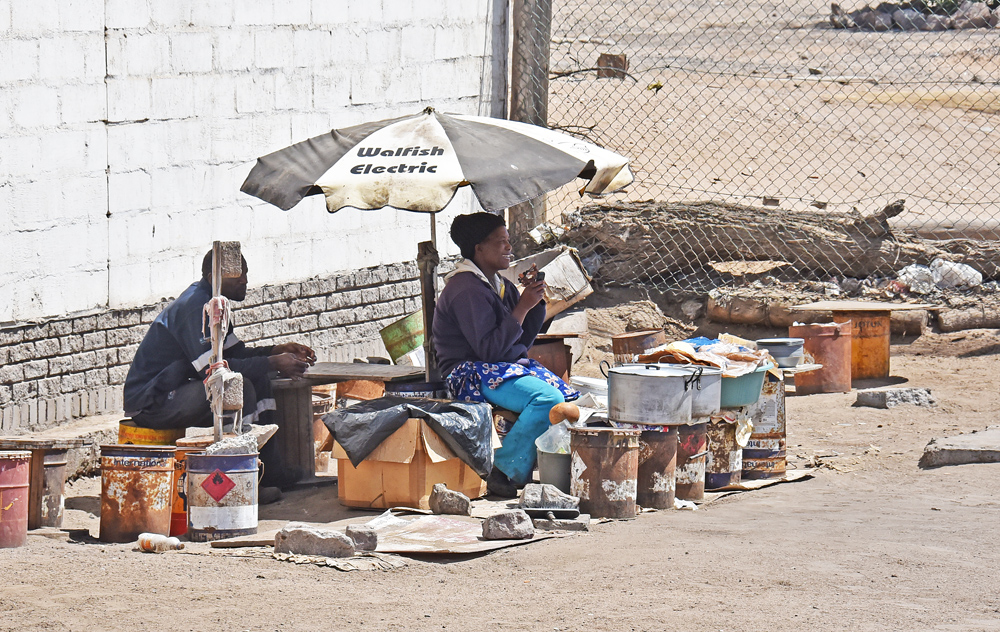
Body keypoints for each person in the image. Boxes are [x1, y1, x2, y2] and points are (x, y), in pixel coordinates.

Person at [123, 250, 316, 491]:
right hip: (153, 401)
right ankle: (240, 481)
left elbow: (235, 356)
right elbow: (214, 371)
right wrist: (274, 363)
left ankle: (269, 470)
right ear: (212, 276)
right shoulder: (197, 307)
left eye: (245, 272)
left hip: (177, 389)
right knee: (238, 386)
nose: (245, 279)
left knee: (257, 377)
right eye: (237, 274)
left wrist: (277, 351)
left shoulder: (215, 304)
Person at [432, 212, 579, 497]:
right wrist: (522, 307)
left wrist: (534, 302)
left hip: (499, 368)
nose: (509, 248)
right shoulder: (465, 288)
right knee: (548, 399)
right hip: (470, 373)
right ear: (479, 248)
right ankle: (502, 469)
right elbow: (489, 350)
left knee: (569, 400)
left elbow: (521, 340)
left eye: (508, 241)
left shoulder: (498, 284)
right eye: (501, 242)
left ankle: (535, 464)